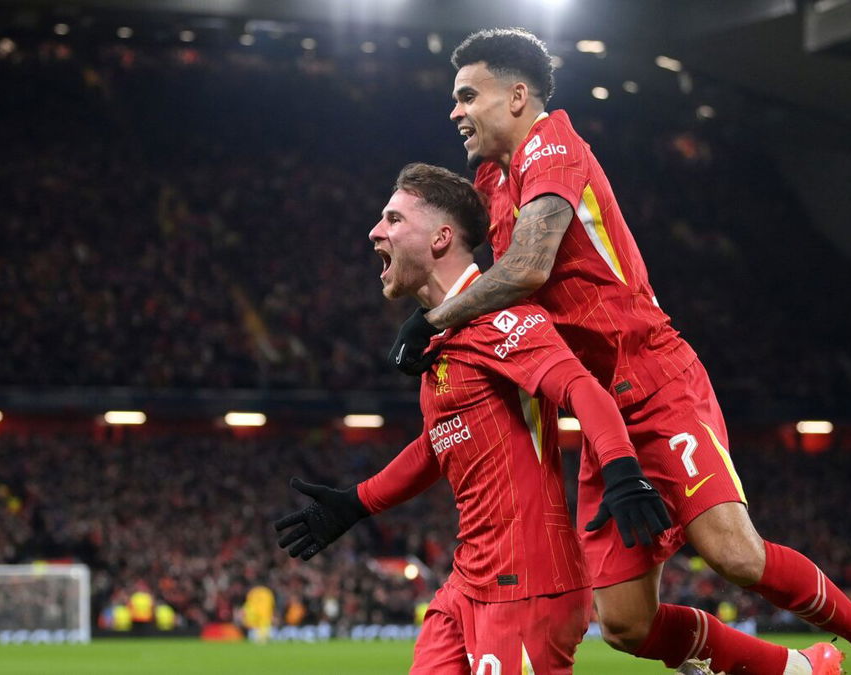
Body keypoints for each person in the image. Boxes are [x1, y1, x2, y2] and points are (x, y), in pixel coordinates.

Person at [387, 27, 851, 675]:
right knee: (624, 624)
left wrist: (437, 321)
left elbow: (528, 266)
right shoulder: (489, 179)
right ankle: (800, 669)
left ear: (517, 96)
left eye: (467, 95)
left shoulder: (551, 145)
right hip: (598, 413)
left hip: (653, 377)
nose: (454, 111)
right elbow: (472, 264)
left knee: (735, 554)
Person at [275, 163, 672, 673]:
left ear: (441, 238)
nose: (376, 231)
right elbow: (440, 439)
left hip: (528, 582)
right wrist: (357, 502)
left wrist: (620, 469)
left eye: (393, 219)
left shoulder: (500, 318)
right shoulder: (438, 337)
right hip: (469, 581)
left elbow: (582, 390)